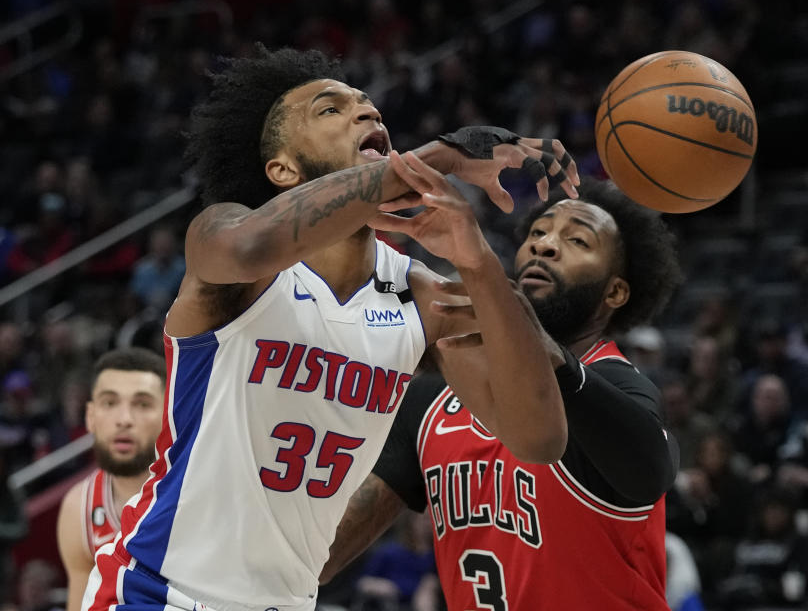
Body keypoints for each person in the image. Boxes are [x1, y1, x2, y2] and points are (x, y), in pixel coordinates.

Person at [82, 45, 579, 611]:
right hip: (156, 591)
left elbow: (539, 440)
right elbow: (251, 246)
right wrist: (437, 157)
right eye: (330, 110)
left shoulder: (421, 296)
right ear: (283, 169)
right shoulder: (227, 239)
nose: (368, 114)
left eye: (369, 107)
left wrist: (478, 262)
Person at [319, 179, 682, 610]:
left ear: (615, 292)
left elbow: (650, 473)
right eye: (538, 233)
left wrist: (555, 362)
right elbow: (322, 555)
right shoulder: (436, 397)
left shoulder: (617, 385)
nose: (545, 246)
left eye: (577, 239)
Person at [57, 347, 165, 611]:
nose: (124, 420)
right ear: (90, 417)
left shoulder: (200, 493)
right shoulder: (78, 508)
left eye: (142, 404)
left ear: (169, 414)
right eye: (109, 402)